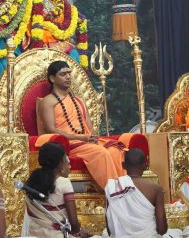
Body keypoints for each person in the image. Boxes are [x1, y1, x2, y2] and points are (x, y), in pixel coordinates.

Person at [37, 60, 125, 189]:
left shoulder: (78, 101)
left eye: (69, 73)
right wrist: (81, 138)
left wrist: (93, 137)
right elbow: (51, 129)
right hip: (68, 144)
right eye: (63, 74)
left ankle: (123, 190)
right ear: (52, 78)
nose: (68, 77)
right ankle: (115, 193)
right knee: (101, 153)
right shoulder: (47, 102)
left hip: (86, 141)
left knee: (115, 150)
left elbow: (89, 127)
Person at [23, 142, 99, 238]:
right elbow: (74, 224)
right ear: (60, 164)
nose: (69, 165)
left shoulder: (31, 182)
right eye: (66, 160)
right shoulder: (64, 182)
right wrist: (79, 232)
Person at [103, 148, 182, 238]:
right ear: (146, 165)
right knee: (179, 234)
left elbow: (110, 231)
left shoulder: (112, 187)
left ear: (123, 165)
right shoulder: (155, 189)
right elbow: (162, 230)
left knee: (104, 236)